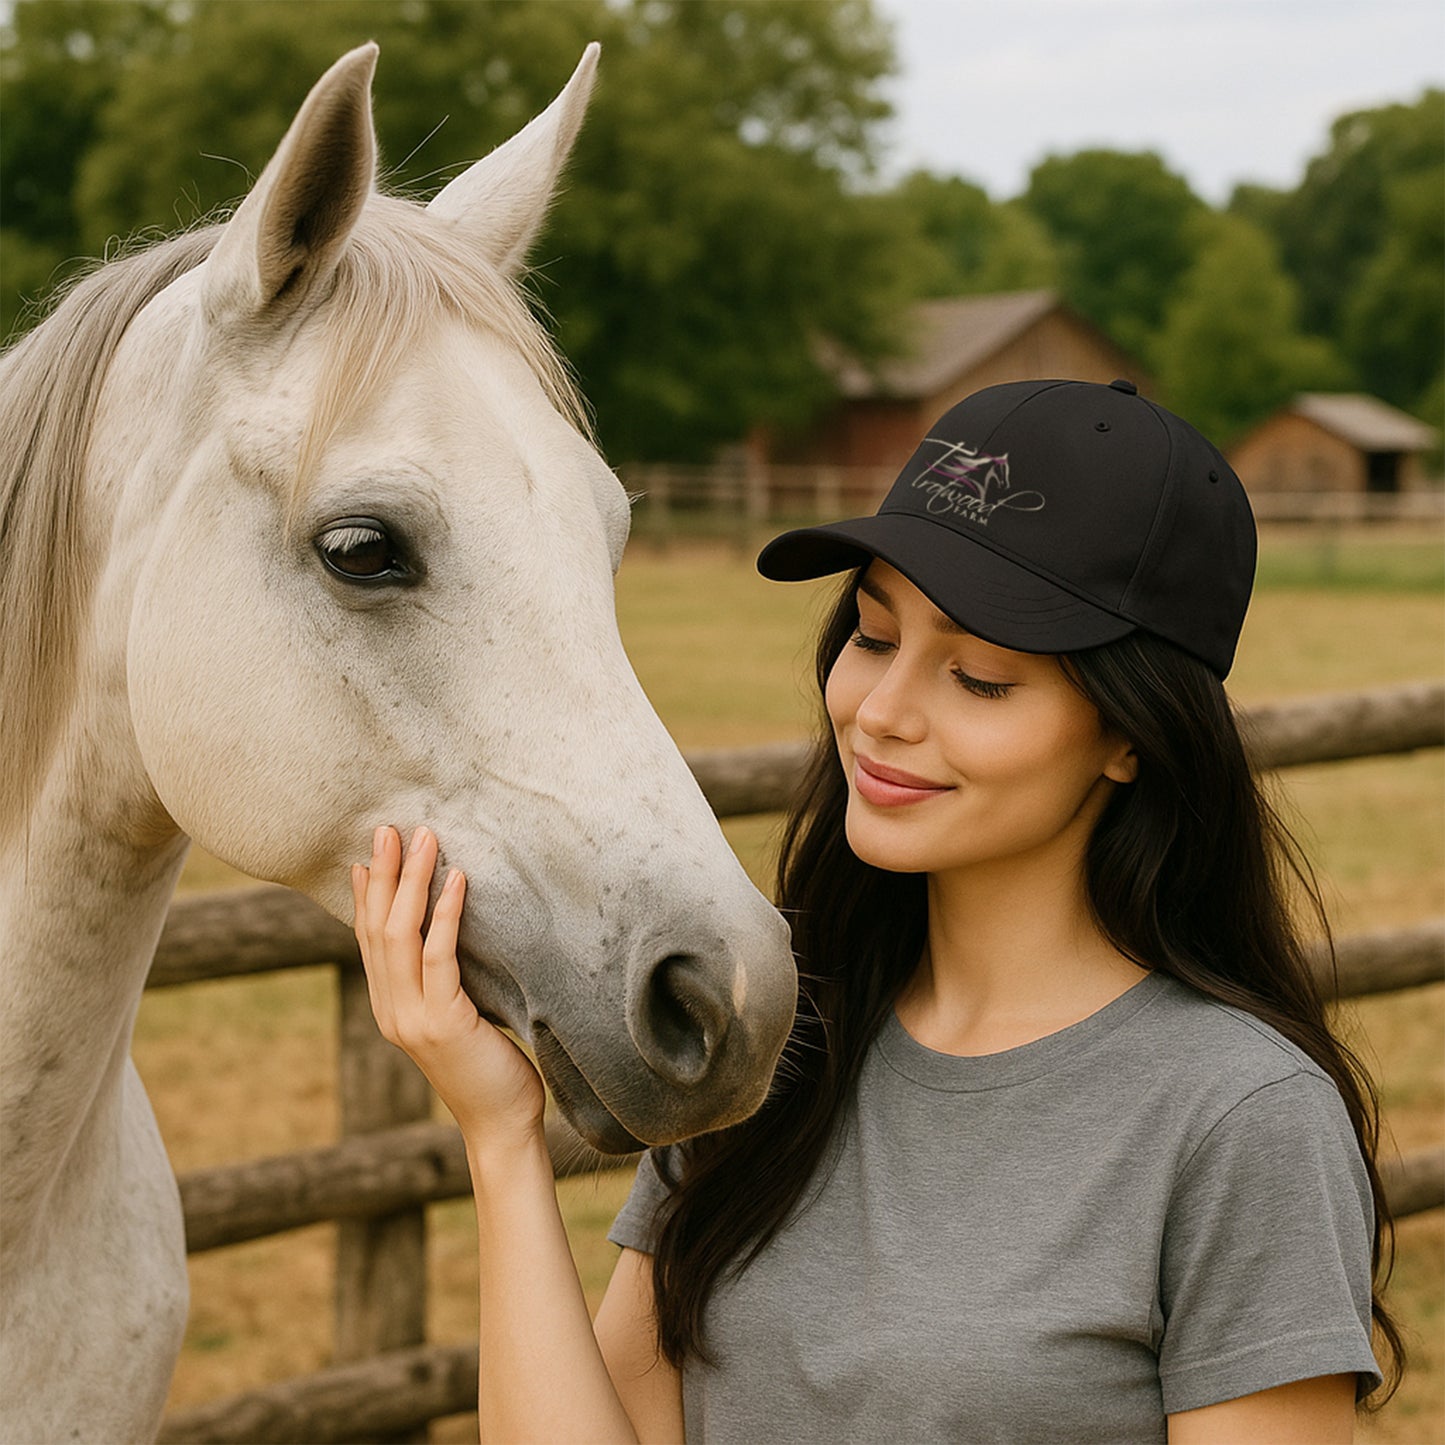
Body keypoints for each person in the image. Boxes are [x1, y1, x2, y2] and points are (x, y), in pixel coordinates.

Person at [353, 378, 1400, 1444]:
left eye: (979, 677)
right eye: (870, 632)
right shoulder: (768, 1034)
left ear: (1131, 734)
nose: (882, 710)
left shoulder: (1240, 1119)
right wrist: (499, 1135)